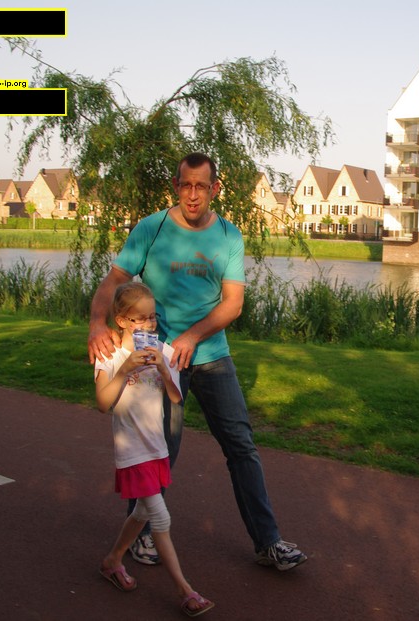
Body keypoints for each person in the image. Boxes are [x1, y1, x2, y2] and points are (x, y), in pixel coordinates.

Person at [88, 152, 307, 571]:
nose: (192, 194)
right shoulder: (151, 228)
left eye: (201, 186)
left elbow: (233, 304)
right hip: (159, 358)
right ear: (176, 186)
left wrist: (192, 335)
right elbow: (115, 280)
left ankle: (268, 542)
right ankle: (141, 535)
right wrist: (97, 325)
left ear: (215, 189)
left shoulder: (228, 235)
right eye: (185, 185)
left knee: (241, 444)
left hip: (211, 355)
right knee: (160, 448)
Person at [95, 281, 214, 617]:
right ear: (121, 321)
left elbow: (176, 397)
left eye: (152, 318)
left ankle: (112, 560)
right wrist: (125, 368)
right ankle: (185, 591)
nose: (148, 325)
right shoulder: (110, 356)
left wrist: (163, 366)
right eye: (140, 319)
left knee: (142, 513)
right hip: (132, 450)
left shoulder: (162, 350)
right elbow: (103, 403)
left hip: (156, 447)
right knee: (160, 516)